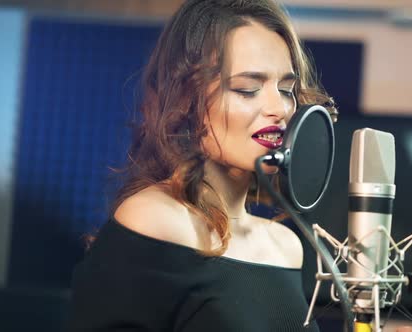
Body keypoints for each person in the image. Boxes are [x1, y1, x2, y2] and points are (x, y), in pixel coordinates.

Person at [67, 0, 337, 331]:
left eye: (286, 90)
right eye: (247, 89)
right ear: (187, 99)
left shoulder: (285, 247)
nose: (278, 108)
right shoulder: (155, 218)